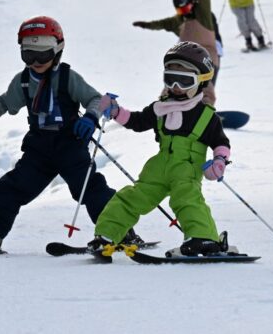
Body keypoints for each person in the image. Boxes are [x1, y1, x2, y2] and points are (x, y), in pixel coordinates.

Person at [0, 16, 139, 254]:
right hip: (39, 149)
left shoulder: (67, 77)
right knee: (10, 188)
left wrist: (90, 118)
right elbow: (4, 103)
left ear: (57, 50)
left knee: (89, 188)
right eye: (28, 55)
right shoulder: (23, 81)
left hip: (70, 145)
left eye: (43, 55)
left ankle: (122, 232)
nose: (36, 62)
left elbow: (95, 99)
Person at [88, 42, 236, 259]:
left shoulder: (206, 116)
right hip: (158, 166)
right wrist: (116, 111)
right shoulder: (160, 108)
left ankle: (203, 238)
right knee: (131, 197)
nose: (176, 86)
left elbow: (221, 142)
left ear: (202, 81)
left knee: (186, 199)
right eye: (170, 78)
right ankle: (107, 235)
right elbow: (137, 121)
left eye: (185, 80)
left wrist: (219, 162)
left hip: (187, 168)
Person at [132, 0, 220, 105]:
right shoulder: (179, 20)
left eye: (185, 9)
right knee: (172, 83)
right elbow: (162, 23)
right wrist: (146, 25)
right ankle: (163, 108)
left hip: (206, 58)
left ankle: (204, 110)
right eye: (180, 10)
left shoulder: (203, 16)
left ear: (192, 3)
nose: (183, 12)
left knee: (204, 87)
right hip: (185, 58)